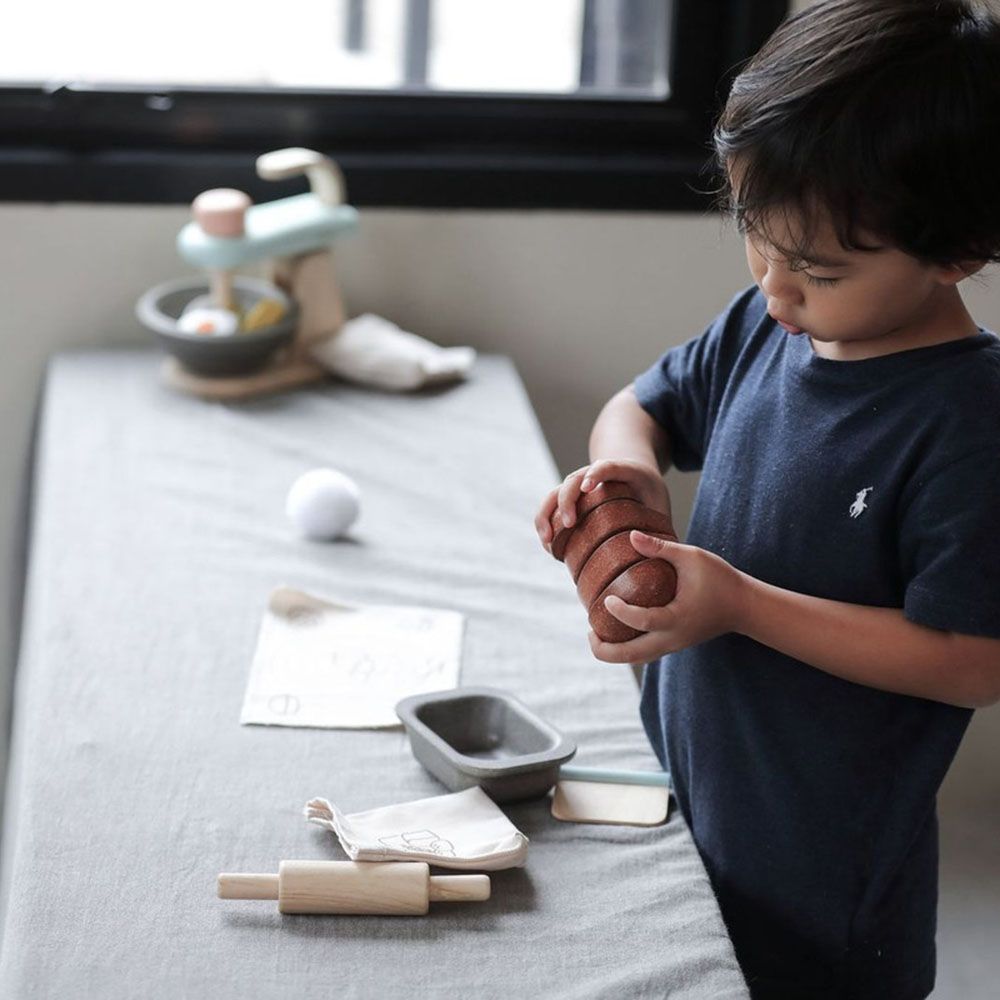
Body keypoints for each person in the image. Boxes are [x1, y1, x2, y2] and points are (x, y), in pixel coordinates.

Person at [534, 2, 1000, 997]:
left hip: (823, 879)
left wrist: (737, 602)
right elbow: (638, 407)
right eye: (756, 236)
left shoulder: (968, 421)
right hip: (691, 798)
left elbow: (971, 662)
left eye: (818, 268)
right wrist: (626, 479)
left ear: (955, 251)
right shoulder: (764, 326)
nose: (776, 288)